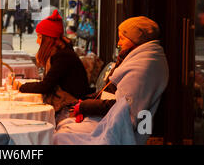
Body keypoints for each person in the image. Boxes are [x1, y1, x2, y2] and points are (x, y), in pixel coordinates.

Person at [55, 16, 169, 145]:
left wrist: (85, 106)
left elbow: (124, 108)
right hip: (108, 118)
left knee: (61, 136)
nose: (118, 43)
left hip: (119, 128)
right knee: (63, 126)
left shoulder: (145, 66)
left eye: (122, 38)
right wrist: (84, 102)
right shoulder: (140, 59)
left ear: (135, 40)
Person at [12, 10, 91, 120]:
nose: (37, 41)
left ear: (48, 39)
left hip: (71, 107)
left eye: (39, 37)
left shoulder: (63, 57)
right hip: (69, 103)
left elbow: (46, 86)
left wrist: (20, 87)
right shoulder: (61, 53)